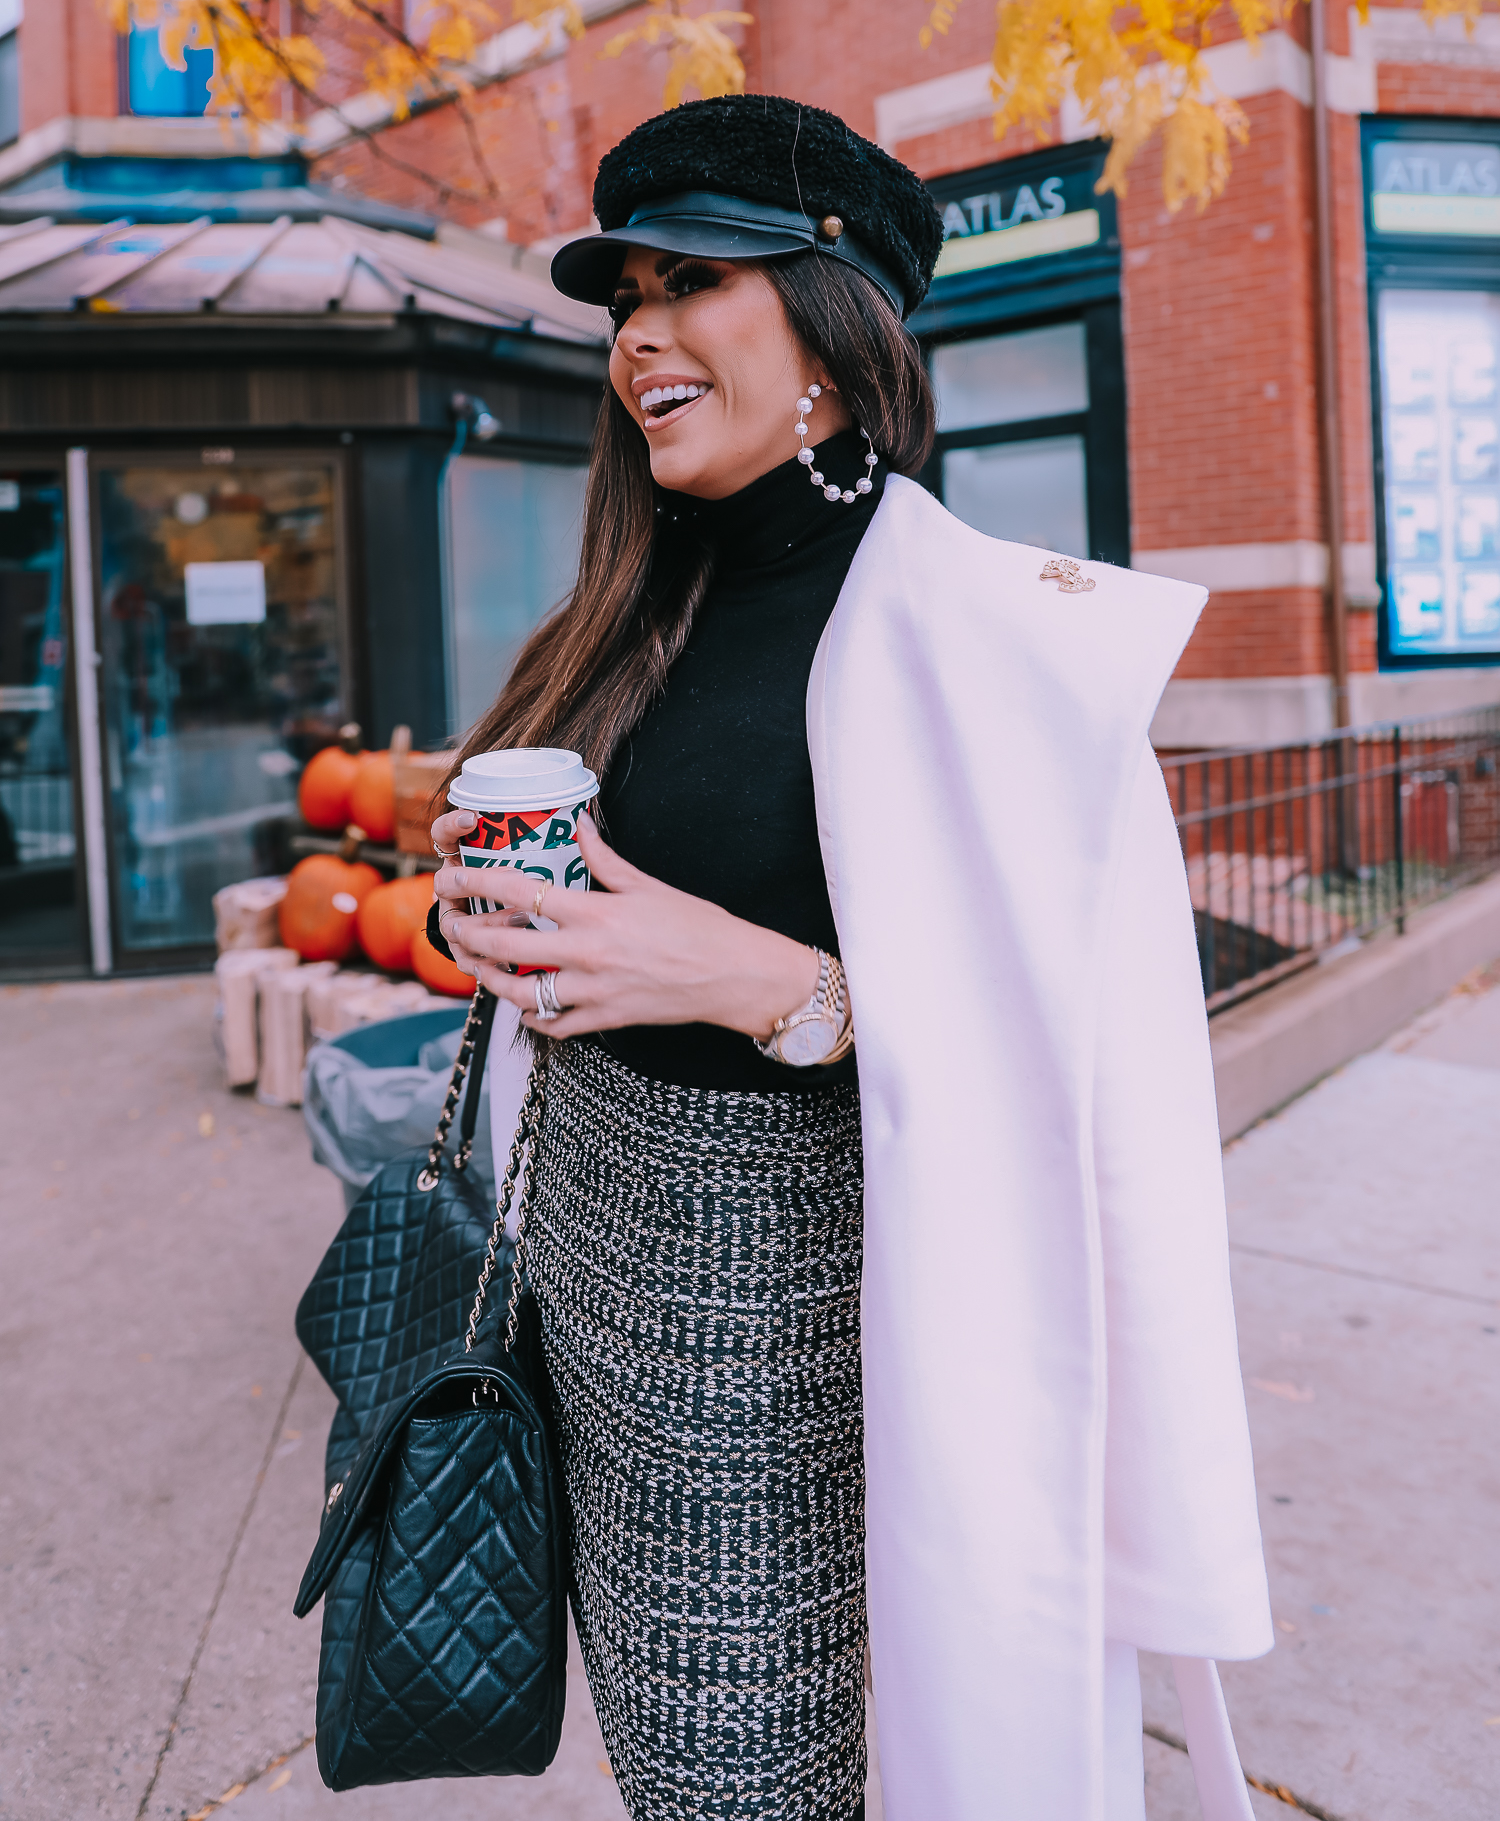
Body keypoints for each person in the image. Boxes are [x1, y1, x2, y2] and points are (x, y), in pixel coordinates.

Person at [426, 94, 1272, 1821]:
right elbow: (598, 931)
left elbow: (1090, 1077)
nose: (641, 334)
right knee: (687, 1777)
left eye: (693, 282)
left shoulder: (1009, 645)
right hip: (589, 1292)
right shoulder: (632, 609)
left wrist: (758, 977)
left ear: (832, 326)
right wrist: (501, 928)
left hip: (801, 1325)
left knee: (771, 1780)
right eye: (623, 299)